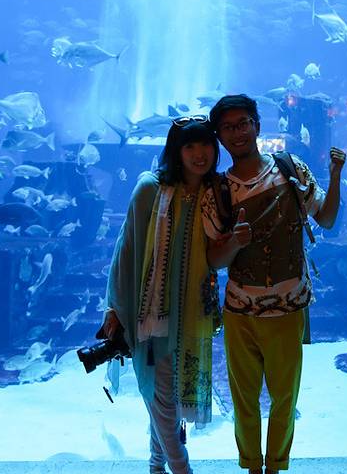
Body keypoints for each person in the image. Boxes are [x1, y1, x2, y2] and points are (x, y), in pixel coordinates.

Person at [200, 94, 346, 474]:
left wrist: (335, 176)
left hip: (289, 306)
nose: (237, 132)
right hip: (240, 311)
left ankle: (275, 466)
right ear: (219, 136)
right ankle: (252, 466)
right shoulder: (217, 191)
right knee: (244, 400)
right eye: (227, 127)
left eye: (243, 123)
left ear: (257, 126)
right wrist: (234, 243)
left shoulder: (290, 169)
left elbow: (326, 219)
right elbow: (213, 260)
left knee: (285, 399)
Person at [103, 115, 221, 474]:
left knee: (167, 397)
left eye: (205, 144)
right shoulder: (149, 189)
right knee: (162, 399)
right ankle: (181, 468)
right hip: (152, 316)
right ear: (175, 150)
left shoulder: (215, 194)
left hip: (193, 316)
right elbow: (125, 251)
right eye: (189, 146)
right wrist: (113, 308)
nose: (199, 154)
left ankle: (156, 466)